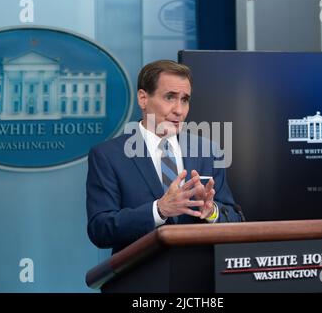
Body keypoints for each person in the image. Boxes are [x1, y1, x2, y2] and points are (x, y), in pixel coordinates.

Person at [86, 60, 241, 254]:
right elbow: (100, 229)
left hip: (200, 278)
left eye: (185, 99)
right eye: (170, 97)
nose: (179, 110)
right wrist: (159, 210)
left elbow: (236, 219)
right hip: (140, 278)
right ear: (143, 99)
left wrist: (211, 211)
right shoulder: (108, 156)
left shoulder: (207, 151)